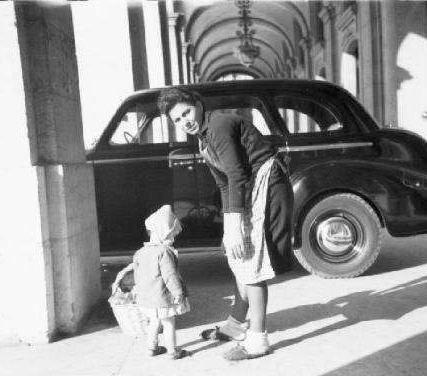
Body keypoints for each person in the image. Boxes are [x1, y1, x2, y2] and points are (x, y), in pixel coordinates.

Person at [158, 87, 293, 361]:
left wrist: (235, 225)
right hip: (248, 186)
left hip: (267, 184)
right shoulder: (202, 139)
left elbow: (236, 173)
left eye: (187, 112)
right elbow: (223, 183)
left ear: (198, 103)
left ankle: (258, 340)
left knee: (251, 261)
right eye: (177, 119)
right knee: (237, 255)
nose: (185, 121)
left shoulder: (218, 125)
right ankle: (235, 325)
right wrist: (228, 228)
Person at [114, 204, 190, 359]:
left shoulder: (140, 253)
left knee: (153, 322)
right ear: (164, 233)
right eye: (171, 235)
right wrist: (178, 292)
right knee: (169, 323)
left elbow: (138, 275)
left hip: (147, 298)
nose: (173, 238)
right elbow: (170, 275)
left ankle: (151, 348)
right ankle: (172, 351)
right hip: (163, 297)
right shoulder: (164, 252)